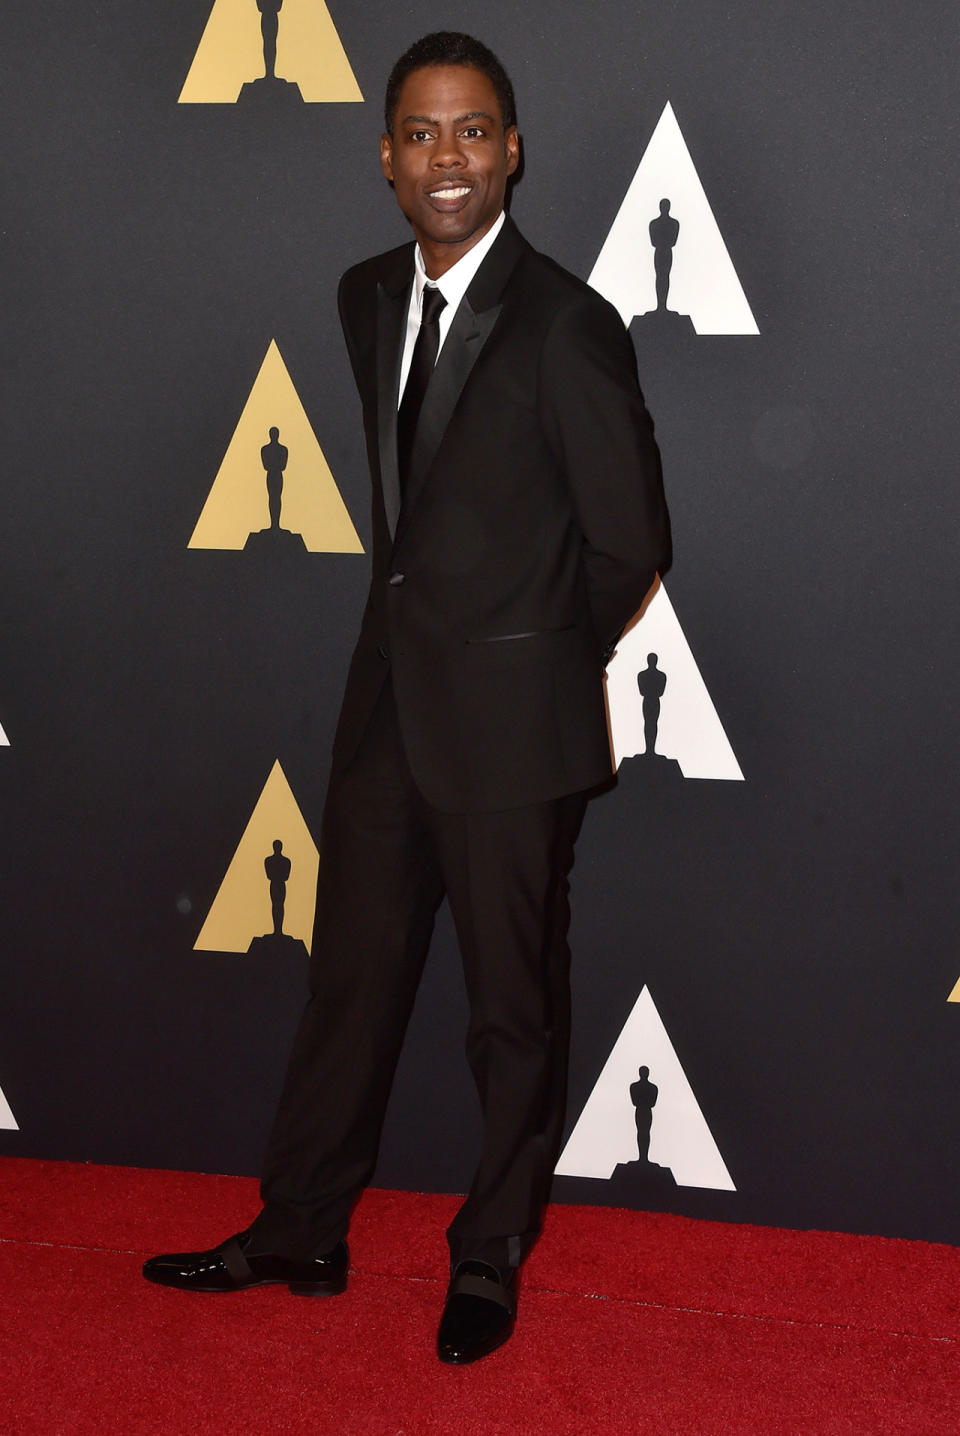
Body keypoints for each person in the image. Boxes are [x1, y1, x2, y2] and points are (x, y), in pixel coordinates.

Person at [144, 31, 670, 1365]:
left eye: (474, 130)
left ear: (513, 151)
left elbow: (628, 543)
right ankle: (300, 1228)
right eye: (423, 134)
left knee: (510, 1009)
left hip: (512, 736)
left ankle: (488, 1254)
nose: (449, 157)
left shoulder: (569, 324)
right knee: (350, 985)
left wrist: (526, 667)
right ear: (386, 159)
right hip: (385, 712)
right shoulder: (365, 294)